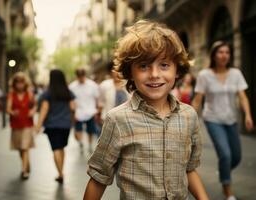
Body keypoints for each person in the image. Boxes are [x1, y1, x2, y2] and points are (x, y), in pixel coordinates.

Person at [83, 20, 209, 200]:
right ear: (130, 73)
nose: (154, 74)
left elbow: (189, 169)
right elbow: (98, 178)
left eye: (164, 65)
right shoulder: (118, 119)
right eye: (143, 66)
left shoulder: (189, 116)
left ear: (177, 70)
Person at [192, 41, 254, 200]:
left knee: (237, 157)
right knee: (225, 155)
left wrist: (248, 115)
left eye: (227, 52)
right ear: (214, 55)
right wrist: (191, 119)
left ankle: (223, 168)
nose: (224, 55)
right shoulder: (204, 75)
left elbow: (242, 96)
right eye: (220, 52)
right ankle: (227, 190)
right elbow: (198, 99)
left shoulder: (236, 73)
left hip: (231, 120)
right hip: (213, 119)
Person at [36, 69, 75, 184]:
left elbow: (44, 109)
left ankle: (60, 173)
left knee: (56, 149)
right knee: (62, 147)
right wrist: (71, 121)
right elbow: (72, 108)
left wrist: (38, 125)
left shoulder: (47, 93)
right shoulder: (68, 92)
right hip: (66, 125)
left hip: (52, 125)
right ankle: (61, 171)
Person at [6, 72, 36, 180]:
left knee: (24, 147)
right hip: (16, 124)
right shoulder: (11, 94)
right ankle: (26, 163)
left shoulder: (30, 94)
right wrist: (12, 112)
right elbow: (8, 108)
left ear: (25, 83)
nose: (20, 85)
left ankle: (24, 171)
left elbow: (34, 106)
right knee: (20, 148)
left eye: (22, 82)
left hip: (27, 124)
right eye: (17, 82)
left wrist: (32, 111)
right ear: (14, 83)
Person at [69, 68, 100, 154]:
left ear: (84, 75)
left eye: (82, 76)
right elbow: (71, 101)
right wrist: (72, 113)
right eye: (79, 76)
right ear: (77, 76)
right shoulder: (72, 86)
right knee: (78, 130)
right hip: (78, 112)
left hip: (90, 111)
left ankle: (90, 145)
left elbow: (96, 98)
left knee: (90, 130)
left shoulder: (92, 85)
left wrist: (97, 111)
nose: (81, 78)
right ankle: (81, 143)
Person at [97, 61, 129, 135]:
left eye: (120, 70)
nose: (118, 73)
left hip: (126, 121)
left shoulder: (129, 85)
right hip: (108, 121)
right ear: (111, 72)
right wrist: (99, 116)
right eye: (115, 71)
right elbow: (100, 103)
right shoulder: (104, 85)